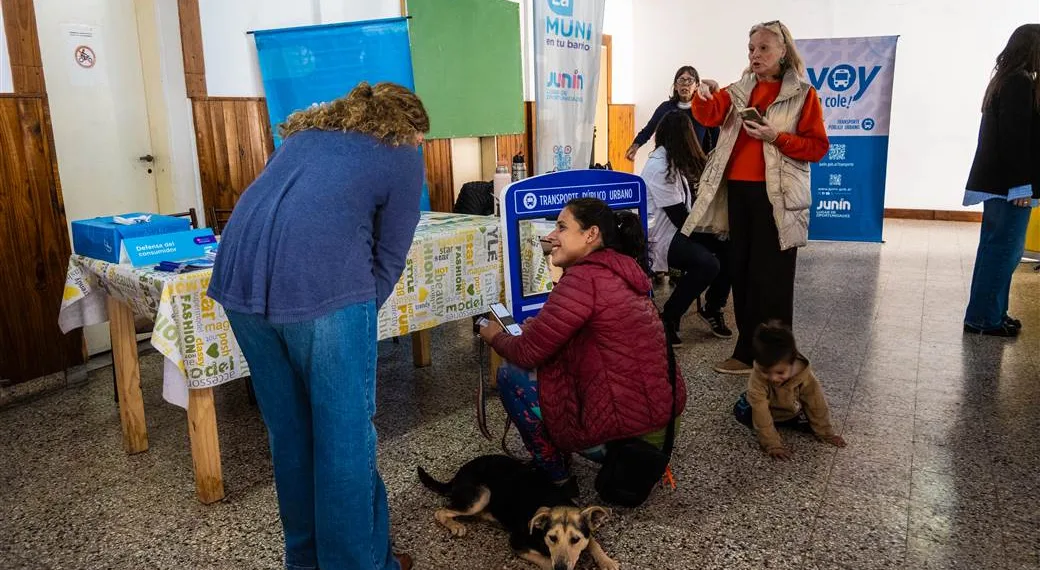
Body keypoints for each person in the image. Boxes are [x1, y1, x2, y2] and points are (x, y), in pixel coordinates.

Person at [207, 82, 429, 570]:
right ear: (410, 127)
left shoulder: (305, 136)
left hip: (239, 283)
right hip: (318, 288)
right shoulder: (402, 151)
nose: (421, 144)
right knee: (344, 438)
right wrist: (358, 309)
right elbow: (390, 254)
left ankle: (306, 561)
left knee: (291, 434)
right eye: (422, 136)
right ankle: (357, 563)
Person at [478, 198, 687, 490]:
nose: (551, 236)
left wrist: (493, 336)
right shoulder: (622, 269)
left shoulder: (583, 278)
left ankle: (557, 478)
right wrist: (536, 329)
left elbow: (526, 352)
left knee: (511, 374)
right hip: (660, 426)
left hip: (629, 440)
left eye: (562, 227)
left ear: (591, 234)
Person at [682, 21, 829, 375]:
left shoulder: (803, 94)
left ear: (783, 51)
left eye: (764, 48)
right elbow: (709, 115)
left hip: (777, 195)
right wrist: (703, 95)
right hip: (739, 193)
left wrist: (775, 136)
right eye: (751, 48)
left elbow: (817, 147)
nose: (755, 55)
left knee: (773, 278)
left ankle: (776, 357)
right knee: (743, 273)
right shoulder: (739, 89)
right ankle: (747, 352)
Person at [963, 24, 1040, 337]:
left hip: (1000, 185)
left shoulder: (1008, 80)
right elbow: (1014, 139)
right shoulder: (1019, 83)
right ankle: (984, 319)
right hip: (1010, 188)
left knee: (996, 251)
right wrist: (1021, 185)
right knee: (1004, 253)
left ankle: (992, 313)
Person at [642, 111, 733, 344]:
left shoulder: (671, 161)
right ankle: (669, 318)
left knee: (729, 247)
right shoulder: (659, 166)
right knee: (708, 263)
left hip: (675, 231)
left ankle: (713, 307)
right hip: (661, 237)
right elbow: (681, 219)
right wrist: (709, 232)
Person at [732, 321, 846, 460]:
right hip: (765, 409)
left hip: (792, 411)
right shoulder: (757, 376)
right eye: (766, 372)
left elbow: (816, 403)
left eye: (780, 372)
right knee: (742, 411)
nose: (773, 378)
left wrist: (826, 433)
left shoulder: (805, 375)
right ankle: (748, 399)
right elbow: (760, 410)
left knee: (810, 418)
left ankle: (788, 422)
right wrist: (772, 445)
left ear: (792, 363)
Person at [626, 66, 720, 162]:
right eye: (681, 80)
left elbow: (716, 137)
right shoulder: (665, 108)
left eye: (690, 80)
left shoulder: (704, 109)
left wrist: (713, 162)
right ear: (675, 86)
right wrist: (635, 146)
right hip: (670, 163)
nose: (685, 84)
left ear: (696, 86)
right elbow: (648, 130)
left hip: (696, 164)